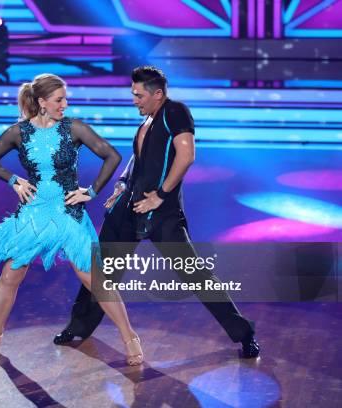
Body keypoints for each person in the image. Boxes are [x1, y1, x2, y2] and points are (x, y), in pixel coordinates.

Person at [53, 66, 261, 359]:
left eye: (139, 95)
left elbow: (187, 155)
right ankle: (78, 326)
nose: (134, 100)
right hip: (128, 208)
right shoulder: (148, 121)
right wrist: (122, 184)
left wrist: (161, 196)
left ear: (158, 94)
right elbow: (139, 160)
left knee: (195, 274)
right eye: (133, 94)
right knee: (101, 272)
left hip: (161, 213)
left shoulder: (175, 112)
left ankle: (244, 334)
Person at [0, 73, 145, 365]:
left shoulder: (74, 129)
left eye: (65, 99)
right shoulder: (18, 132)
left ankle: (130, 337)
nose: (65, 105)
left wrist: (91, 191)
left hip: (68, 214)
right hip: (34, 213)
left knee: (95, 279)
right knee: (10, 275)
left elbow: (112, 156)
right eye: (59, 100)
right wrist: (14, 181)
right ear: (42, 102)